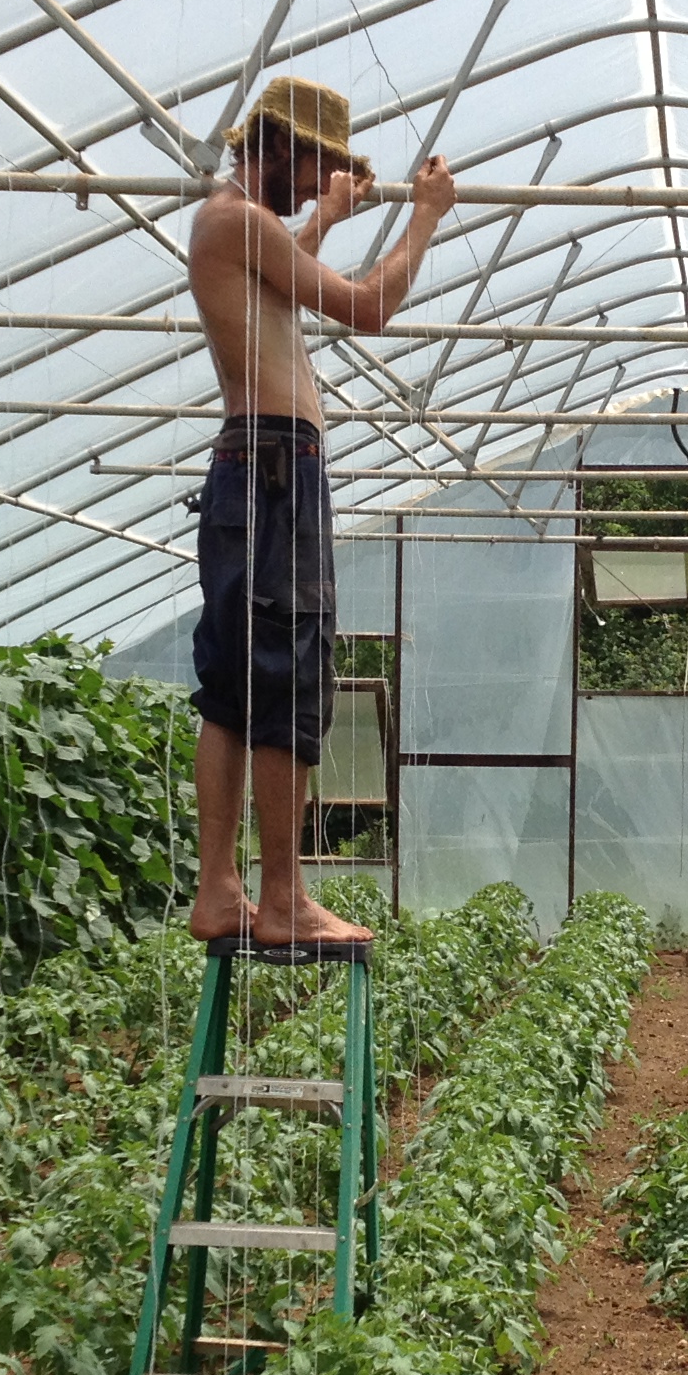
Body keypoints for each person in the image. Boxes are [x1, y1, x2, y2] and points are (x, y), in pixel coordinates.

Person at [183, 75, 456, 949]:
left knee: (230, 691)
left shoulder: (233, 225)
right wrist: (425, 219)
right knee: (286, 678)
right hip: (275, 471)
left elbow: (274, 282)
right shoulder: (241, 222)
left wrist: (326, 225)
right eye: (312, 165)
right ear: (274, 144)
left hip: (249, 467)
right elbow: (369, 308)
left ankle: (223, 892)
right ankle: (285, 897)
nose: (315, 182)